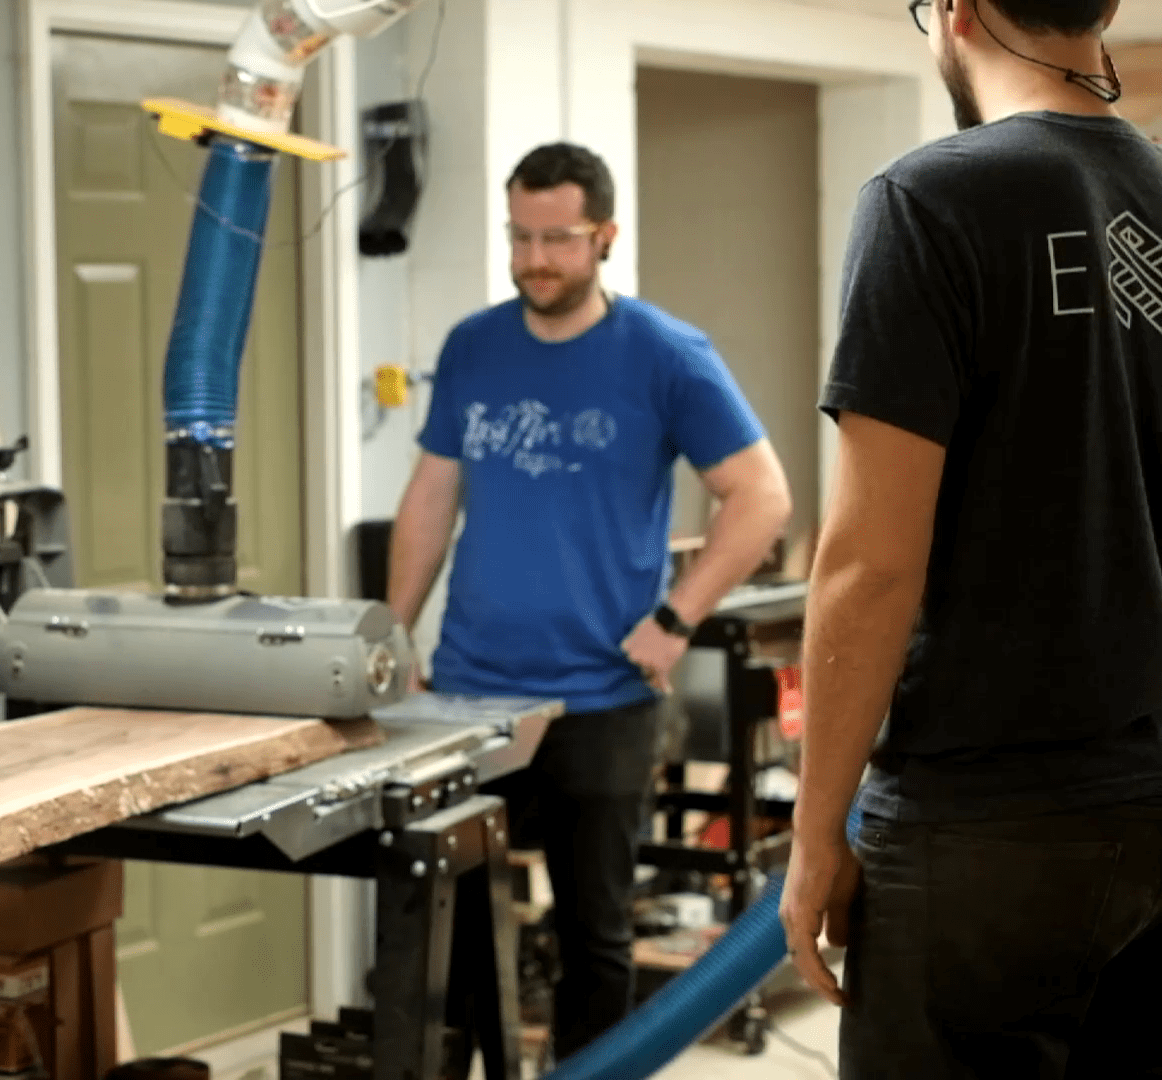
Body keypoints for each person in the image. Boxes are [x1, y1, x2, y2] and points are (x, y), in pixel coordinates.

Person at [778, 0, 1162, 1074]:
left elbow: (870, 562)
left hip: (987, 826)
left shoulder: (929, 201)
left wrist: (815, 839)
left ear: (955, 11)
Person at [389, 142, 792, 1058]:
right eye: (520, 237)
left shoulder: (664, 354)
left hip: (601, 699)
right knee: (444, 929)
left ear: (605, 236)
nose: (535, 259)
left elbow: (762, 494)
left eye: (558, 239)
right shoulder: (473, 346)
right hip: (471, 691)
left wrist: (675, 619)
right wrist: (393, 636)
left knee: (595, 936)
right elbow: (430, 498)